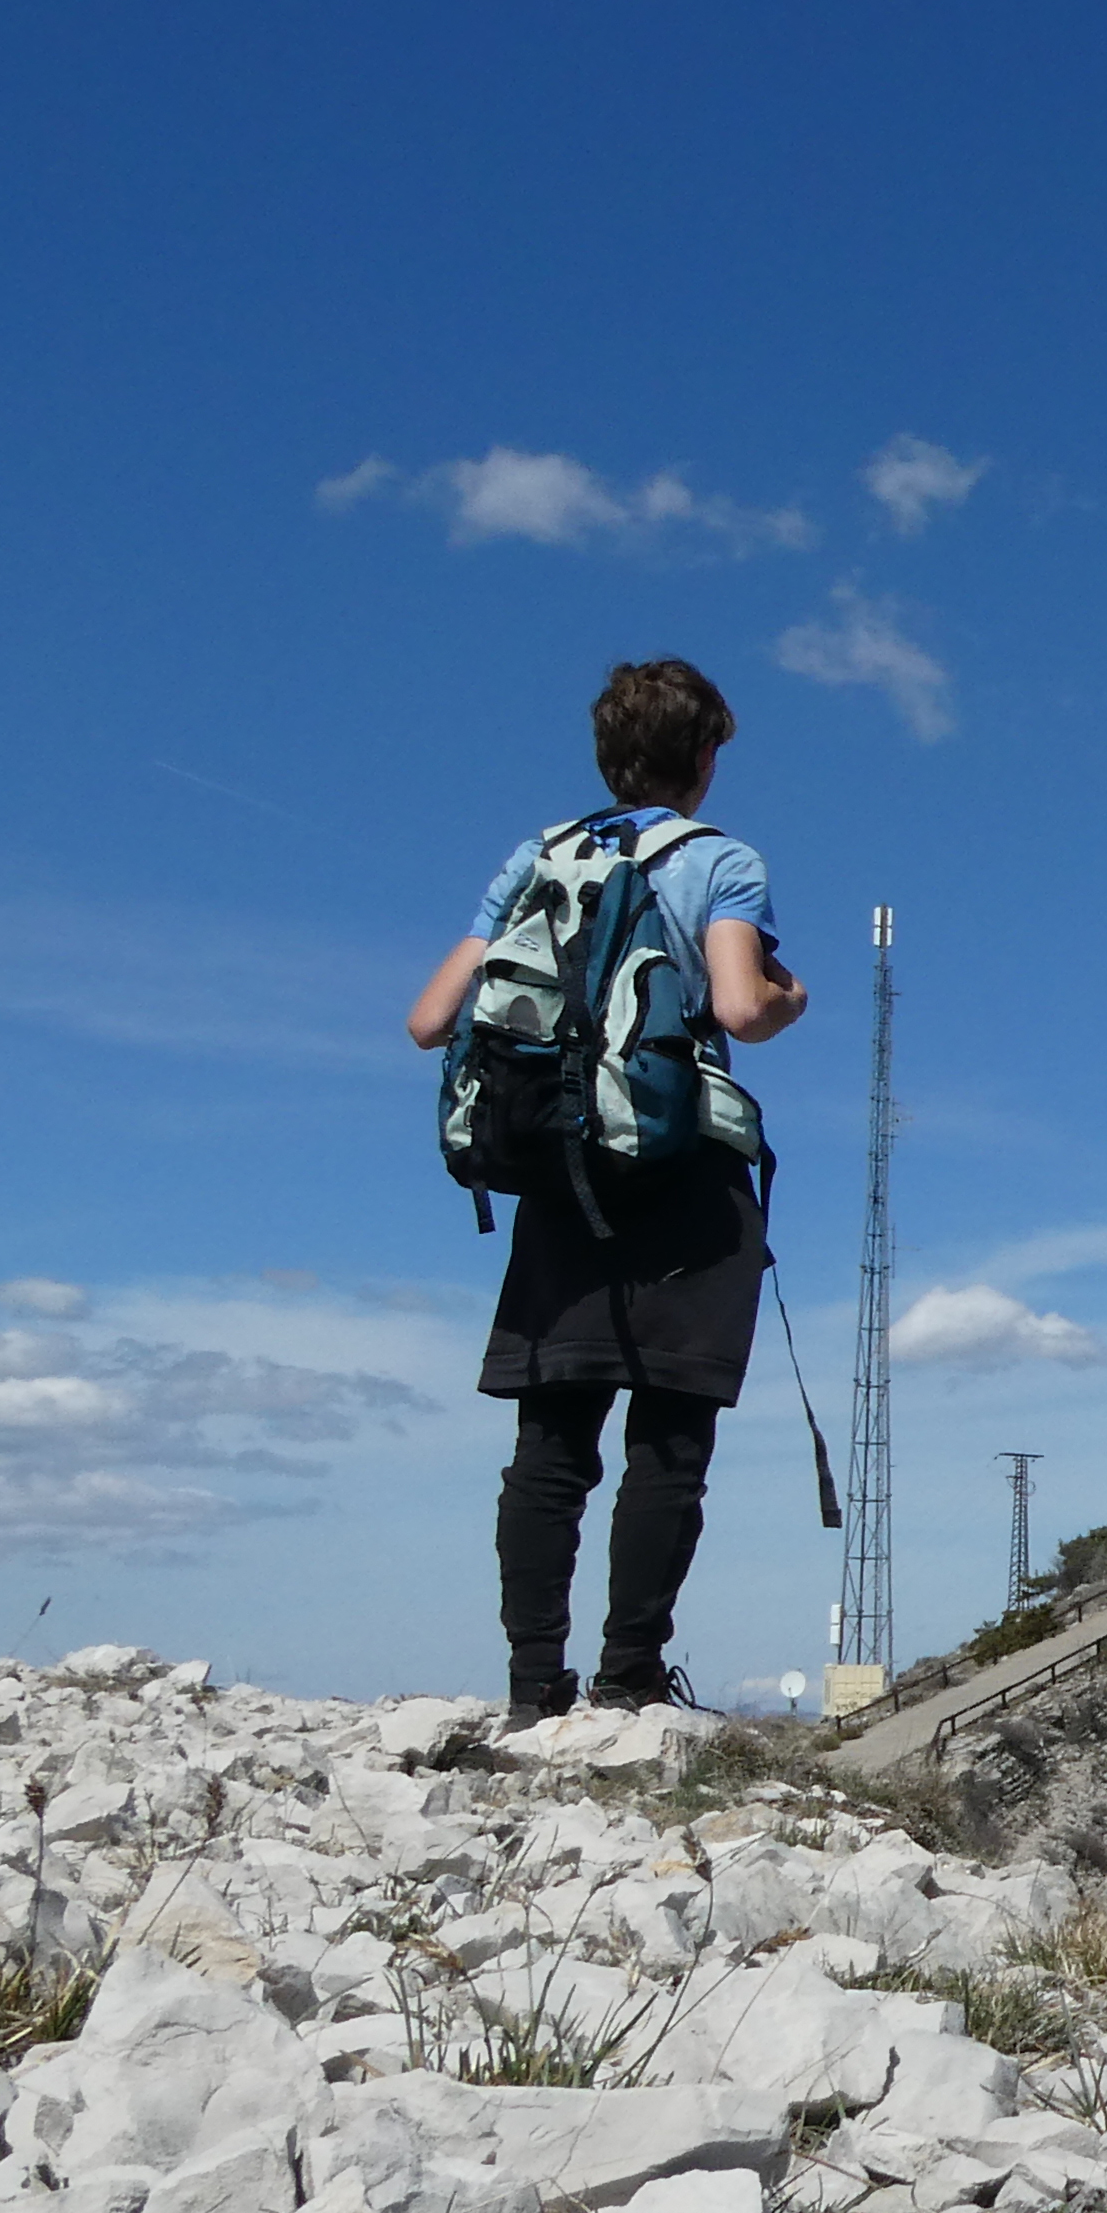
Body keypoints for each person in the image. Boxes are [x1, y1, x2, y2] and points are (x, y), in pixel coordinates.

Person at [402, 658, 805, 1721]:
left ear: (607, 756)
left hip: (561, 1166)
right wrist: (788, 995)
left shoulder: (539, 858)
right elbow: (740, 1004)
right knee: (668, 1437)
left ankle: (535, 1685)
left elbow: (430, 1019)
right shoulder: (721, 862)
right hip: (682, 1169)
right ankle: (630, 1678)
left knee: (550, 1442)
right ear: (707, 758)